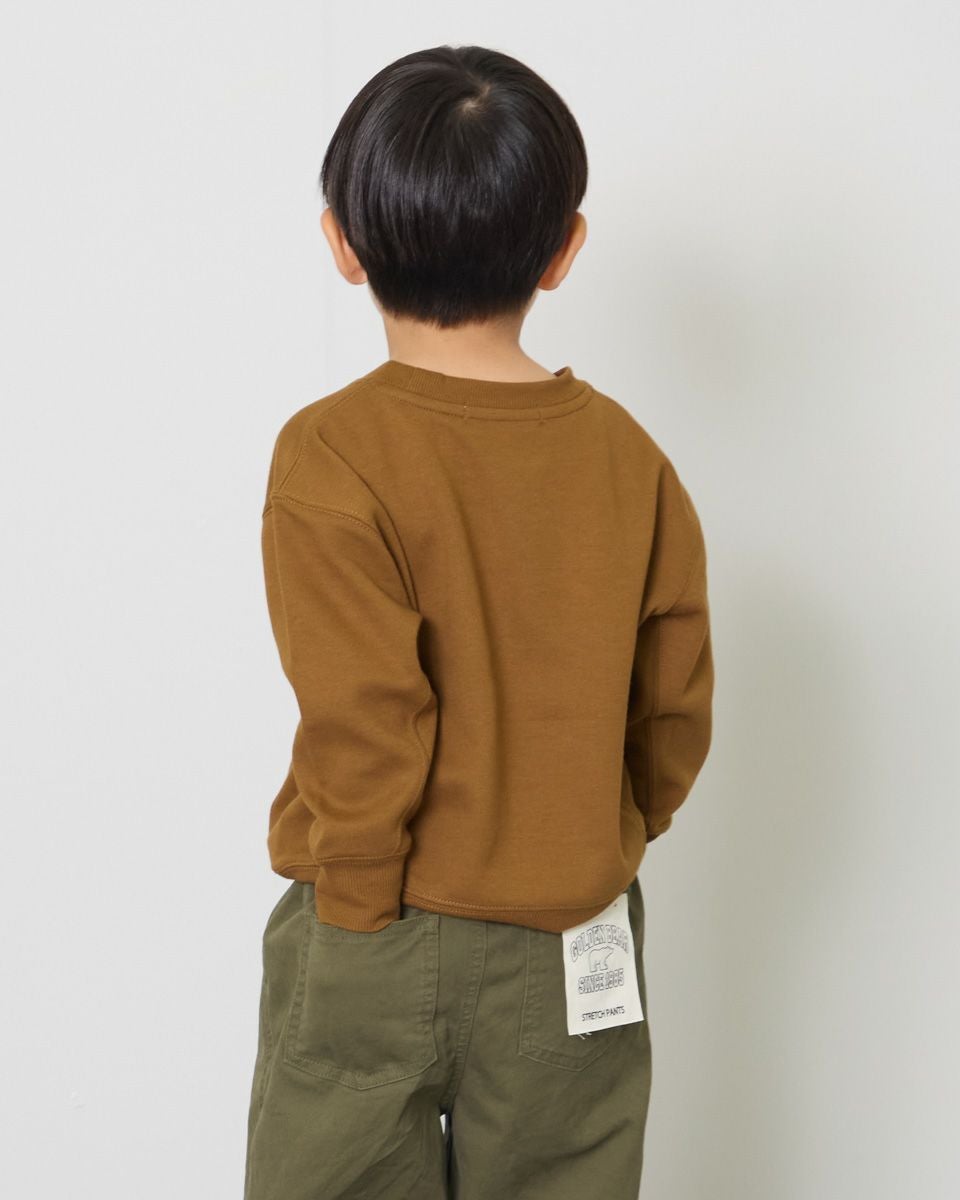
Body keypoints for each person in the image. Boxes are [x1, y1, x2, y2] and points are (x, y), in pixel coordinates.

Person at [244, 43, 714, 1200]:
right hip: (576, 937)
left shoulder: (333, 452)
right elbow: (673, 704)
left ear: (342, 243)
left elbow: (366, 712)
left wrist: (359, 901)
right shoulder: (630, 459)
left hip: (381, 919)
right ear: (564, 250)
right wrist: (598, 840)